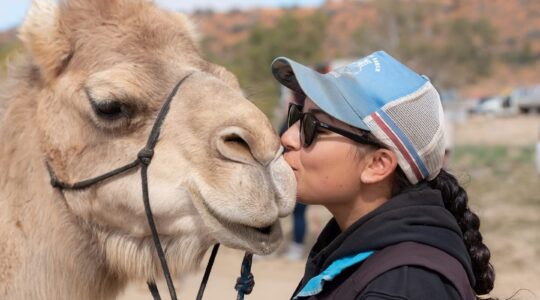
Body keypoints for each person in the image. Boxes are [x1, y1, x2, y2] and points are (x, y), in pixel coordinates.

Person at [271, 51, 495, 299]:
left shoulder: (405, 285)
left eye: (313, 126)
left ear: (377, 164)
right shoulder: (358, 249)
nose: (287, 137)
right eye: (297, 117)